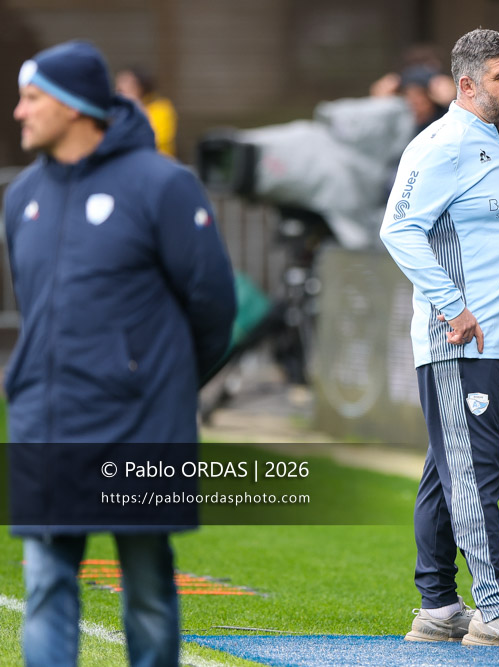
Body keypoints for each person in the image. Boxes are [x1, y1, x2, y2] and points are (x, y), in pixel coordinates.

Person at [4, 40, 236, 666]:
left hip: (141, 427)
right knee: (48, 581)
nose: (18, 112)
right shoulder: (19, 197)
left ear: (76, 107)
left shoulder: (163, 186)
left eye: (32, 98)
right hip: (47, 425)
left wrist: (162, 383)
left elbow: (215, 309)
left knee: (148, 586)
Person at [379, 28, 499, 648]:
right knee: (475, 470)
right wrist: (453, 308)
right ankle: (493, 607)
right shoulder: (443, 142)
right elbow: (399, 229)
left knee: (446, 469)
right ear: (466, 84)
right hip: (461, 341)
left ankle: (437, 608)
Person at [115, 65, 178, 157]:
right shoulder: (117, 111)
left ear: (141, 87)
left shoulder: (161, 108)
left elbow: (157, 138)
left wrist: (135, 105)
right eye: (118, 88)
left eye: (126, 86)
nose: (119, 92)